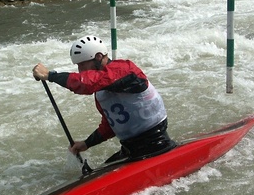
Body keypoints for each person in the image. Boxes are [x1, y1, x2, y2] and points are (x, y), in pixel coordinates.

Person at [32, 35, 176, 164]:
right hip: (131, 149)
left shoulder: (125, 69)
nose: (81, 70)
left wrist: (51, 75)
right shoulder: (101, 89)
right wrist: (87, 143)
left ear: (98, 57)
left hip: (157, 143)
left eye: (82, 65)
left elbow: (85, 83)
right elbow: (112, 124)